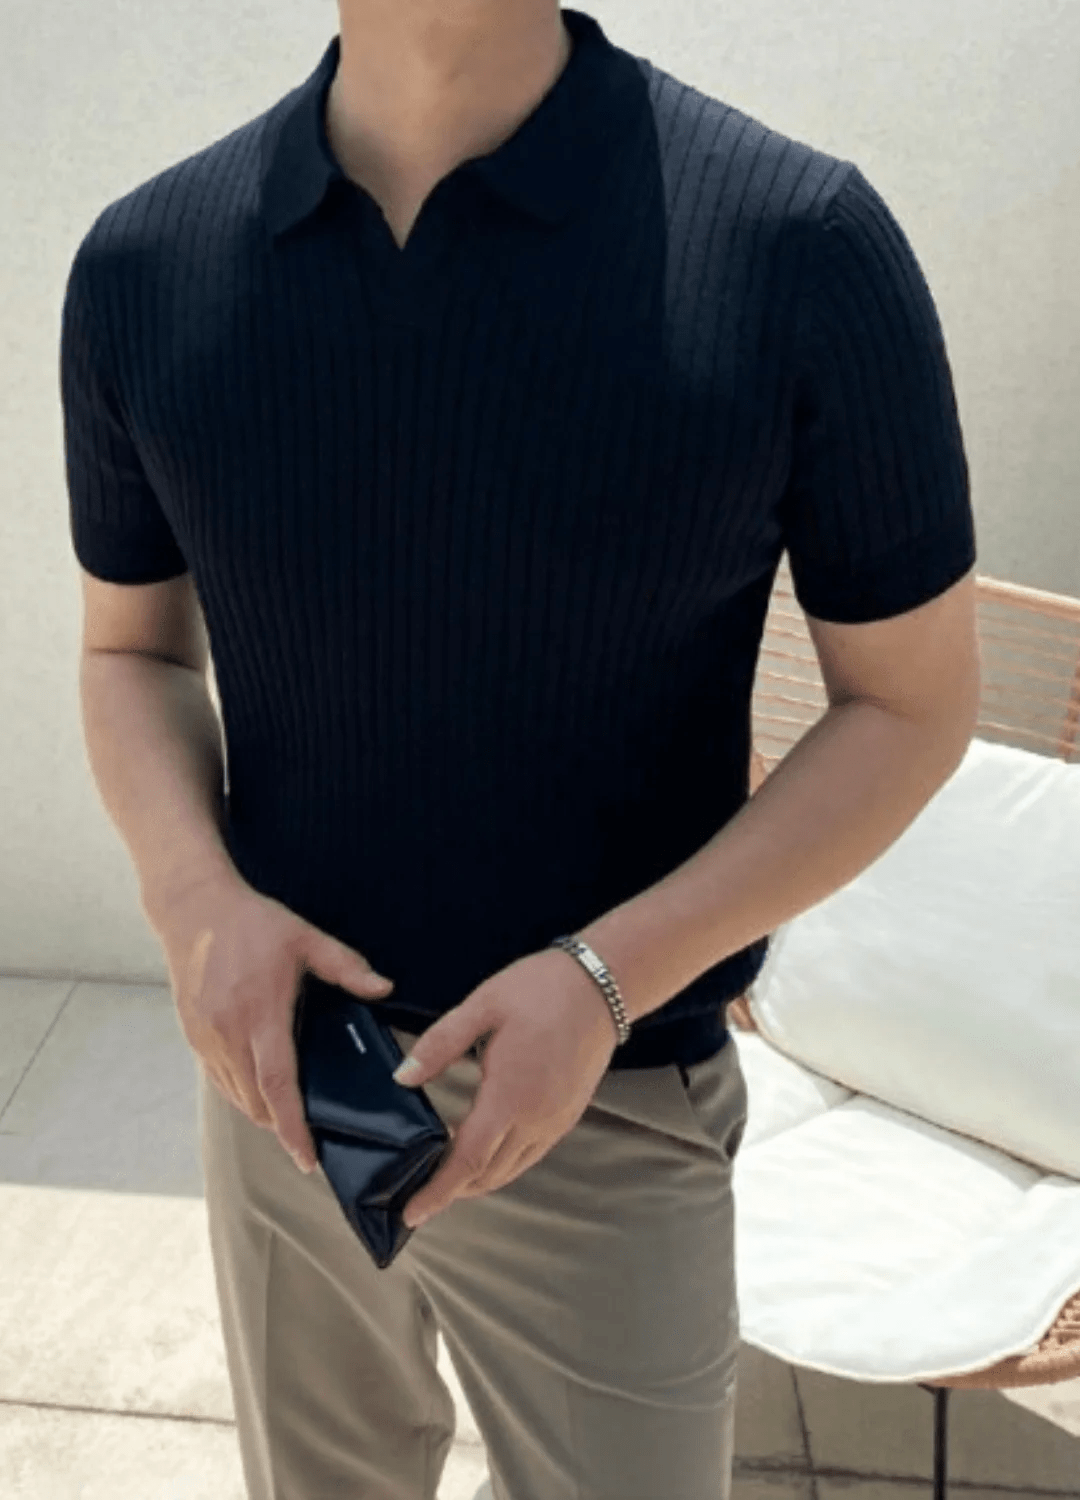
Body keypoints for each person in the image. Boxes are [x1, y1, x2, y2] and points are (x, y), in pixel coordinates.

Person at [60, 2, 980, 1496]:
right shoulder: (145, 265)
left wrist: (607, 979)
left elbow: (912, 703)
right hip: (287, 1090)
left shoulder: (799, 246)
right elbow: (132, 653)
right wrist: (194, 901)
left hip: (614, 1106)